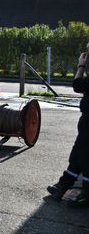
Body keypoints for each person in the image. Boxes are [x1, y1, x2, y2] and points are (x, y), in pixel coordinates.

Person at [47, 51, 89, 207]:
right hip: (86, 122)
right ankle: (64, 184)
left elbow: (77, 85)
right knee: (78, 154)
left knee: (85, 156)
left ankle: (85, 192)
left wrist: (81, 65)